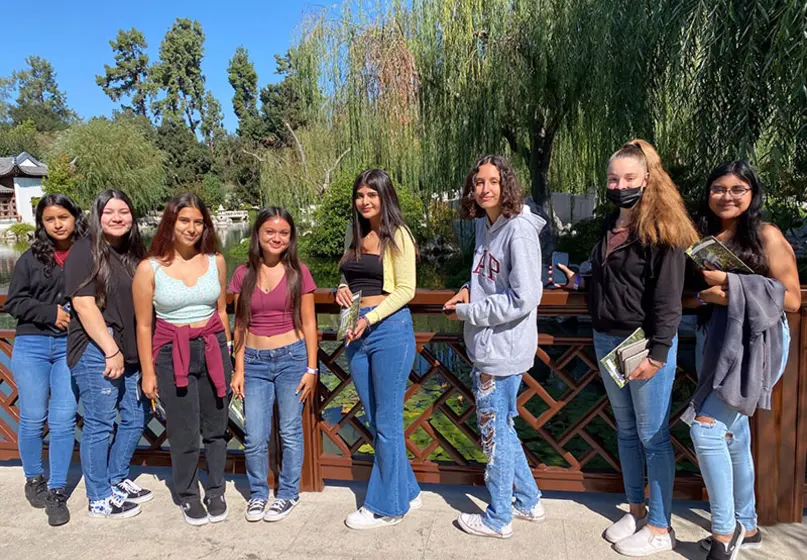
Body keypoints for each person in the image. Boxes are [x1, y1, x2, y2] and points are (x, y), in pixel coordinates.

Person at [555, 139, 699, 556]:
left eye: (629, 178)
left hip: (644, 343)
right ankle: (636, 508)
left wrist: (658, 354)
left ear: (647, 179)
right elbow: (607, 278)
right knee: (626, 430)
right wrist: (579, 281)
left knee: (653, 436)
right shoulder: (608, 226)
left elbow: (668, 301)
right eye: (613, 179)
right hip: (606, 337)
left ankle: (660, 525)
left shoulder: (664, 232)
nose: (620, 185)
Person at [687, 161, 800, 560]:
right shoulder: (705, 238)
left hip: (758, 343)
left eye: (738, 189)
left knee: (706, 428)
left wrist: (732, 288)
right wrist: (707, 296)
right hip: (714, 338)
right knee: (734, 434)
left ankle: (724, 531)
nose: (727, 196)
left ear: (752, 193)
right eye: (719, 188)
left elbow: (792, 299)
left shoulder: (766, 234)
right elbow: (695, 294)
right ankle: (748, 525)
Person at [443, 155, 545, 539]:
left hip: (502, 350)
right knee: (502, 429)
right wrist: (469, 289)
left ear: (507, 186)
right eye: (478, 182)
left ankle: (499, 517)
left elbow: (524, 297)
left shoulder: (517, 230)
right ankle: (530, 500)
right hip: (489, 346)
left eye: (493, 182)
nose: (484, 189)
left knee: (492, 434)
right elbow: (490, 280)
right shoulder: (487, 227)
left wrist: (470, 311)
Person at [133, 193, 232, 526]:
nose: (192, 228)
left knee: (217, 427)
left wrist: (228, 349)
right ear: (171, 223)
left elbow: (221, 310)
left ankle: (216, 489)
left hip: (214, 346)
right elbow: (144, 325)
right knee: (183, 430)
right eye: (185, 221)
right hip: (170, 352)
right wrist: (148, 373)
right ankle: (188, 494)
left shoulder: (215, 260)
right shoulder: (150, 268)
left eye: (198, 222)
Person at [334, 168, 421, 529]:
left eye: (372, 194)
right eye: (359, 195)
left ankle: (386, 507)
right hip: (356, 331)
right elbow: (351, 277)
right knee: (375, 418)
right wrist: (338, 290)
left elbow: (406, 290)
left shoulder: (397, 234)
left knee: (387, 421)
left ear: (385, 196)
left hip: (388, 330)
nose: (365, 201)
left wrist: (370, 318)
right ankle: (408, 490)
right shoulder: (354, 235)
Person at [64, 189, 152, 519]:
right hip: (97, 349)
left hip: (129, 350)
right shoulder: (84, 252)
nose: (117, 217)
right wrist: (110, 350)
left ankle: (116, 479)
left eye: (124, 211)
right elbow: (84, 305)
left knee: (136, 415)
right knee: (100, 423)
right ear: (97, 216)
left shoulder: (131, 252)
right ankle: (98, 496)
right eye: (109, 212)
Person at [229, 207, 318, 523]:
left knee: (290, 431)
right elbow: (239, 325)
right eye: (270, 231)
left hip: (291, 359)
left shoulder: (299, 273)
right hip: (253, 362)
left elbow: (309, 323)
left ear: (290, 238)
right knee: (254, 434)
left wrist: (312, 368)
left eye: (283, 233)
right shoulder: (243, 274)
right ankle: (257, 493)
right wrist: (238, 368)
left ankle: (288, 493)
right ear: (258, 234)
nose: (276, 238)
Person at [7, 194, 86, 526]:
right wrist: (49, 313)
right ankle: (34, 478)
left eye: (63, 217)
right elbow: (14, 302)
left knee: (64, 418)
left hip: (70, 347)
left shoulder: (86, 254)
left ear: (74, 218)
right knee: (32, 416)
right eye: (50, 219)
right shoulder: (30, 258)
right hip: (33, 344)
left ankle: (57, 490)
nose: (58, 224)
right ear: (42, 223)